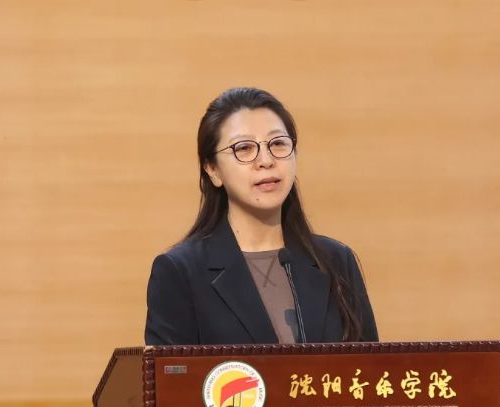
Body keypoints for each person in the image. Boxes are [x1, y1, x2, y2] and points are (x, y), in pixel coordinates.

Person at [145, 87, 378, 346]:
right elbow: (169, 372)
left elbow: (371, 367)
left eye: (278, 144)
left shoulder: (336, 261)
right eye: (244, 148)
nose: (266, 160)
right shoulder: (180, 273)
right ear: (212, 169)